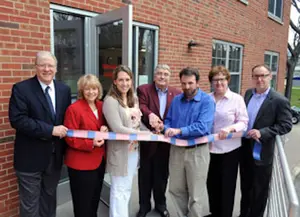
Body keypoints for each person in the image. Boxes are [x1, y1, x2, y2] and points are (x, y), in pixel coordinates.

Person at [8, 51, 71, 217]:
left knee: (49, 202)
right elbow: (18, 120)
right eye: (42, 65)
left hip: (54, 158)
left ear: (56, 69)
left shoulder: (64, 90)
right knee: (30, 206)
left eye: (50, 65)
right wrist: (51, 130)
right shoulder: (21, 89)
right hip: (29, 159)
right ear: (35, 67)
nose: (46, 69)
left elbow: (68, 119)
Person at [159, 67, 215, 217]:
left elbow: (203, 127)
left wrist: (179, 131)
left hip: (197, 151)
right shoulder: (177, 100)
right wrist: (164, 128)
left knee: (196, 194)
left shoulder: (207, 101)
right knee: (176, 189)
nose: (187, 87)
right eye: (183, 83)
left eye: (190, 83)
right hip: (176, 150)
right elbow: (169, 120)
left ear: (197, 82)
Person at [239, 64, 292, 217]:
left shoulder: (279, 100)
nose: (259, 79)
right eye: (256, 76)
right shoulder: (248, 93)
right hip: (244, 149)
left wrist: (262, 132)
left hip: (262, 152)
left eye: (263, 75)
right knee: (245, 187)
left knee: (259, 191)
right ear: (252, 78)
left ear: (270, 76)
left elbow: (286, 125)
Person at [103, 65, 149, 217]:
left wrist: (150, 132)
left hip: (133, 151)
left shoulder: (133, 99)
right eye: (121, 80)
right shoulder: (110, 101)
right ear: (115, 82)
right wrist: (142, 135)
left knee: (127, 187)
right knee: (118, 190)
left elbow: (138, 122)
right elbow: (117, 128)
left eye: (127, 79)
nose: (124, 83)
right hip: (119, 152)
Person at [136, 64, 180, 217]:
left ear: (170, 77)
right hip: (148, 142)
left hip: (166, 143)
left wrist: (165, 127)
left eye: (166, 74)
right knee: (145, 176)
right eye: (159, 73)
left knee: (162, 176)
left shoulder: (176, 93)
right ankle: (144, 206)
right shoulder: (144, 89)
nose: (162, 77)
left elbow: (177, 115)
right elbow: (141, 106)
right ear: (154, 76)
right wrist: (150, 115)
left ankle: (161, 204)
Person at [205, 66, 248, 217]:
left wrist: (230, 128)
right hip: (209, 149)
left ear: (228, 80)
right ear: (211, 82)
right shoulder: (207, 98)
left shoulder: (236, 99)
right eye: (215, 79)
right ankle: (214, 213)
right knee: (211, 184)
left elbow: (244, 122)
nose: (219, 83)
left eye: (222, 79)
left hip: (229, 150)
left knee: (226, 187)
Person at [63, 74, 107, 217]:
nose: (91, 92)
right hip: (80, 164)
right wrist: (91, 143)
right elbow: (70, 138)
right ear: (81, 90)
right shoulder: (74, 109)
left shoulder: (102, 106)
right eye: (87, 89)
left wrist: (105, 128)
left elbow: (106, 125)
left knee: (95, 198)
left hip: (99, 161)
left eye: (94, 88)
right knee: (82, 203)